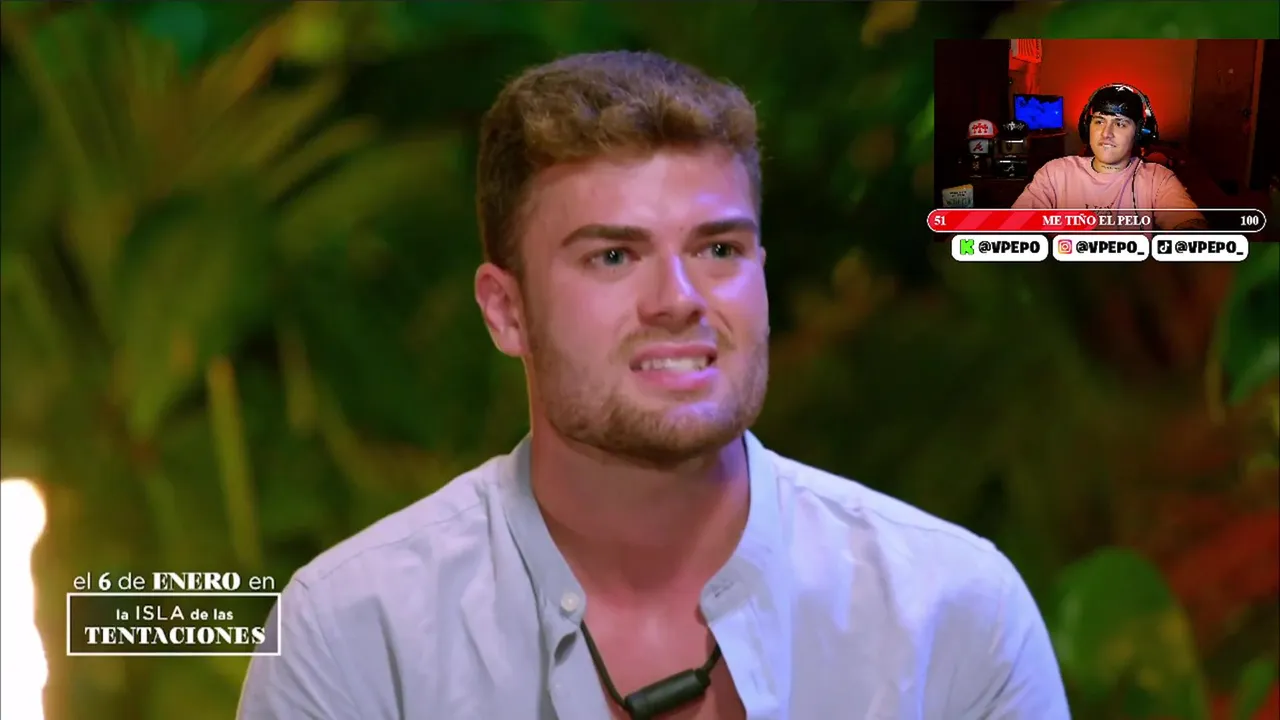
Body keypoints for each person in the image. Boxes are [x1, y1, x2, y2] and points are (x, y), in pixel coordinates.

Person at [237, 51, 1070, 720]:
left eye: (718, 250)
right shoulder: (356, 633)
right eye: (613, 256)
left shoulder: (950, 612)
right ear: (506, 311)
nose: (679, 300)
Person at [1013, 82, 1209, 231]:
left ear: (1139, 133)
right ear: (1087, 128)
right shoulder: (1054, 172)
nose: (1106, 133)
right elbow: (1014, 228)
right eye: (1099, 121)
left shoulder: (1159, 179)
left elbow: (1190, 227)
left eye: (1120, 123)